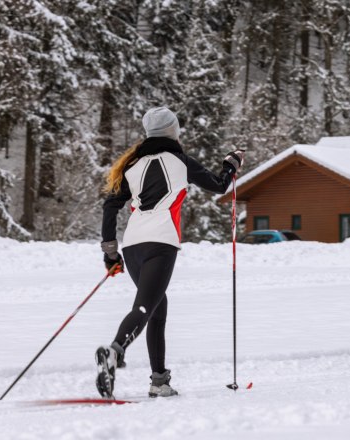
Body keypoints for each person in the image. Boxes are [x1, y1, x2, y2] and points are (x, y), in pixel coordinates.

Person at [97, 106, 244, 398]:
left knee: (156, 308)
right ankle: (115, 351)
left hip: (133, 246)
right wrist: (231, 165)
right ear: (172, 132)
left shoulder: (132, 166)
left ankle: (159, 380)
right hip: (161, 244)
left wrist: (111, 254)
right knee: (144, 307)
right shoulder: (181, 162)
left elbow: (110, 206)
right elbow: (218, 185)